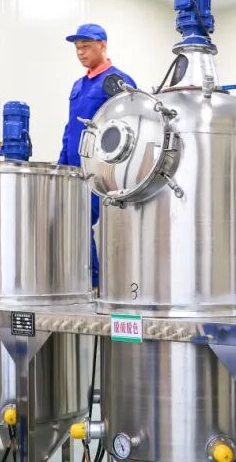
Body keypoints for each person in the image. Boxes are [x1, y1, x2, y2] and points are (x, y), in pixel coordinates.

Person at [57, 23, 136, 290]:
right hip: (75, 169)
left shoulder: (118, 81)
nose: (81, 52)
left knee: (82, 223)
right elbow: (71, 127)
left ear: (103, 45)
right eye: (77, 48)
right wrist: (62, 164)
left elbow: (130, 125)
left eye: (86, 47)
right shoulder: (78, 85)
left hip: (102, 171)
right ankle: (80, 283)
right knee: (72, 223)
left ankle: (95, 285)